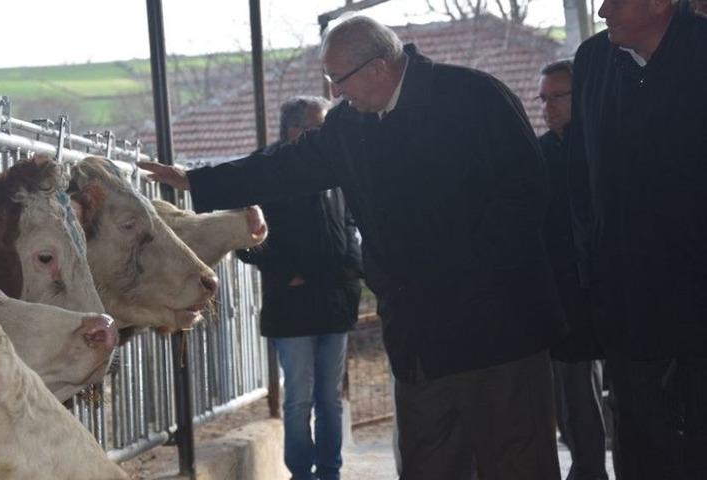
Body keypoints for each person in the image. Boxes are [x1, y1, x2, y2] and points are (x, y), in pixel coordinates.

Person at [141, 15, 567, 479]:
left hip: (497, 334)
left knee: (517, 464)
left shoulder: (473, 96)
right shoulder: (348, 126)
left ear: (379, 67)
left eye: (339, 80)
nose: (336, 93)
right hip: (419, 342)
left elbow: (526, 196)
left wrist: (467, 276)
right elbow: (286, 167)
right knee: (430, 465)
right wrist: (196, 179)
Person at [567, 0, 707, 478]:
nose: (603, 10)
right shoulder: (591, 62)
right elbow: (581, 188)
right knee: (641, 452)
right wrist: (596, 282)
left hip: (698, 314)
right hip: (628, 318)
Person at [235, 96, 362, 480]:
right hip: (292, 306)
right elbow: (245, 240)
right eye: (318, 128)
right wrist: (287, 272)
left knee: (330, 400)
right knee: (299, 400)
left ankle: (330, 472)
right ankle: (301, 474)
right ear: (294, 130)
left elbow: (351, 223)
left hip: (335, 302)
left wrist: (352, 268)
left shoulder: (334, 167)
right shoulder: (266, 170)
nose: (324, 135)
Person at [536, 59, 608, 480]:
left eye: (557, 97)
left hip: (613, 290)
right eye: (543, 99)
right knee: (573, 398)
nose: (548, 106)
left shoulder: (604, 144)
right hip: (564, 296)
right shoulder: (540, 153)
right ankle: (588, 470)